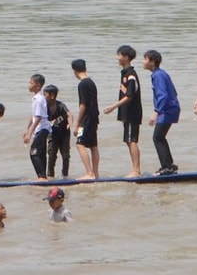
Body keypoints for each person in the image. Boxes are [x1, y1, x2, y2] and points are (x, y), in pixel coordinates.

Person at [101, 45, 143, 177]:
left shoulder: (131, 76)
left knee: (132, 140)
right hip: (126, 113)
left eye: (119, 55)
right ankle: (134, 169)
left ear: (126, 57)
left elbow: (129, 96)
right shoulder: (125, 73)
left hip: (132, 113)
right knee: (128, 140)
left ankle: (136, 170)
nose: (117, 58)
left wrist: (114, 106)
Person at [144, 50, 180, 175]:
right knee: (160, 137)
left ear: (152, 62)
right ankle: (169, 165)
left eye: (145, 59)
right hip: (169, 108)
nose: (143, 62)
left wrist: (156, 111)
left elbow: (163, 95)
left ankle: (167, 167)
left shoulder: (158, 75)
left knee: (157, 137)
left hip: (167, 110)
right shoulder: (159, 74)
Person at [71, 59, 100, 180]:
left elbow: (83, 104)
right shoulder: (91, 82)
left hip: (87, 118)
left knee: (80, 144)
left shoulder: (82, 84)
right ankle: (96, 173)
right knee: (93, 145)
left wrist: (77, 124)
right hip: (94, 117)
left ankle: (89, 173)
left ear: (74, 71)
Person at [23, 73, 50, 179]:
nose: (29, 85)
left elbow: (38, 118)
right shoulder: (35, 98)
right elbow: (33, 115)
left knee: (34, 152)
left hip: (42, 129)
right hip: (39, 129)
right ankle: (43, 176)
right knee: (41, 153)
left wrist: (30, 133)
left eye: (31, 83)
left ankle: (42, 176)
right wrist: (27, 129)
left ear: (38, 85)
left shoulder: (39, 99)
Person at [43, 83, 71, 178]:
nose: (44, 96)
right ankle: (50, 176)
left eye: (45, 94)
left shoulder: (60, 105)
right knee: (51, 155)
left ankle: (65, 175)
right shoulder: (44, 106)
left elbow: (69, 114)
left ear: (52, 96)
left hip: (64, 134)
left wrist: (70, 123)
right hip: (52, 134)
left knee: (66, 156)